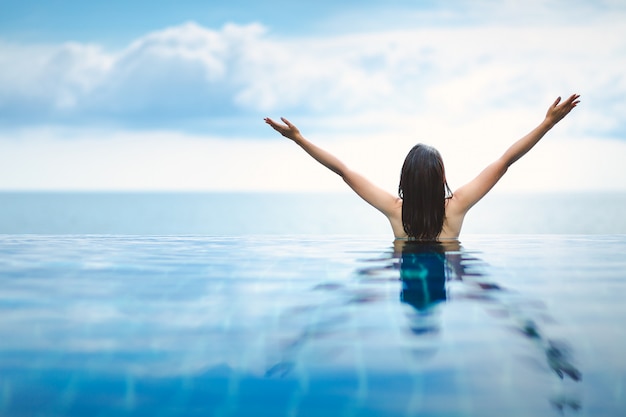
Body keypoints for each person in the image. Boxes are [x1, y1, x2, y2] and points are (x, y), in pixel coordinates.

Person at [264, 94, 580, 240]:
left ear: (405, 180)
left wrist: (298, 139)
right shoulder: (456, 207)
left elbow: (343, 171)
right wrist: (547, 124)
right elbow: (505, 161)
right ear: (441, 178)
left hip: (400, 270)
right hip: (453, 265)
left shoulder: (394, 209)